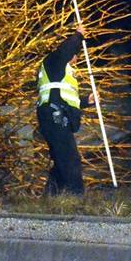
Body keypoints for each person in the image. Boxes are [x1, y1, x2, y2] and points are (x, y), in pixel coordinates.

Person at [36, 28, 96, 195]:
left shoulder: (59, 72)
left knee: (61, 160)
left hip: (56, 114)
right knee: (70, 159)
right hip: (55, 115)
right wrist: (78, 35)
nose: (76, 59)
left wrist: (86, 101)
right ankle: (75, 196)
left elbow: (66, 98)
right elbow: (65, 50)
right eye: (76, 55)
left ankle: (52, 196)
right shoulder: (54, 61)